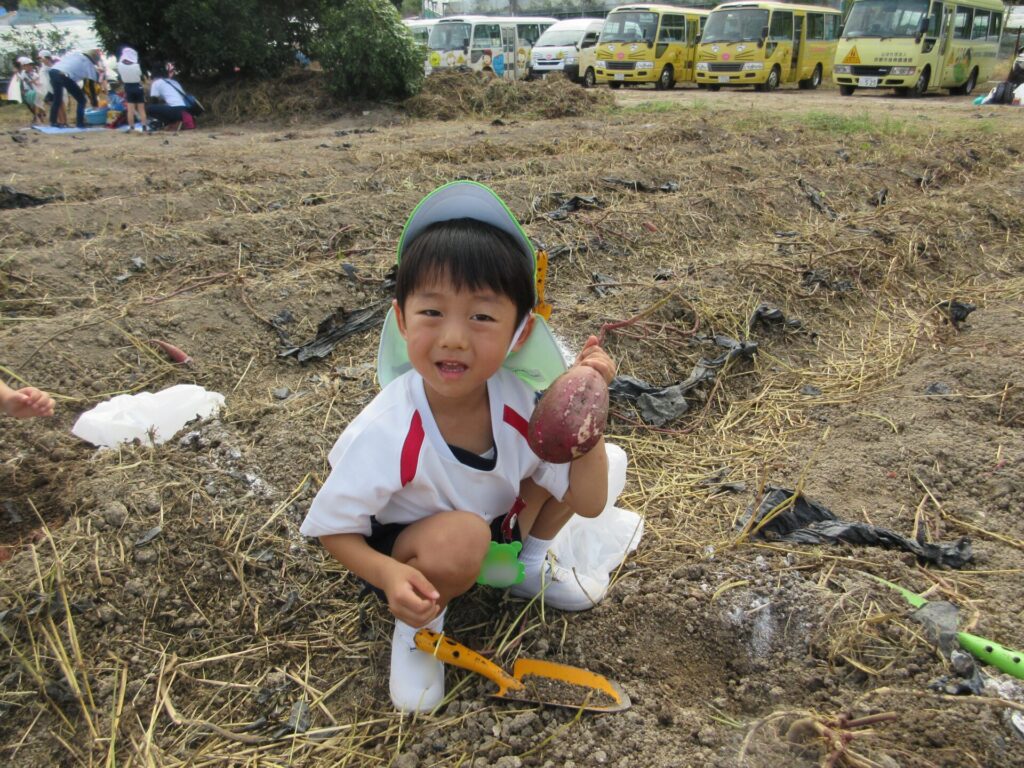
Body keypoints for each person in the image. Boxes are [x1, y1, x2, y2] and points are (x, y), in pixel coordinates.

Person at [300, 181, 620, 713]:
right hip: (418, 552)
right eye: (432, 312)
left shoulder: (521, 405)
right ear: (401, 320)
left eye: (482, 317)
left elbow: (586, 501)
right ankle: (420, 627)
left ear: (519, 333)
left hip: (493, 529)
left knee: (566, 457)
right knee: (462, 538)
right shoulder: (388, 429)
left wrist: (586, 409)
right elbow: (333, 528)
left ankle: (526, 567)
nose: (453, 337)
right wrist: (388, 576)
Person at [48, 49, 101, 128]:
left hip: (53, 71)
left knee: (57, 98)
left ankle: (53, 122)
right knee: (82, 100)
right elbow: (91, 86)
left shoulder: (75, 55)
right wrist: (94, 103)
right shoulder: (89, 64)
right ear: (94, 60)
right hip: (64, 75)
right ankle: (80, 123)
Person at [147, 62, 196, 130]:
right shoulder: (174, 82)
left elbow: (154, 101)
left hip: (176, 111)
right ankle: (177, 121)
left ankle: (171, 122)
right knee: (165, 108)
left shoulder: (156, 83)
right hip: (186, 110)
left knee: (149, 108)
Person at [116, 47, 148, 132]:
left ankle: (131, 127)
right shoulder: (136, 66)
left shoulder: (119, 65)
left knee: (130, 110)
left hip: (128, 87)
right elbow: (139, 75)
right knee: (141, 109)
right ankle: (144, 127)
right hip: (137, 86)